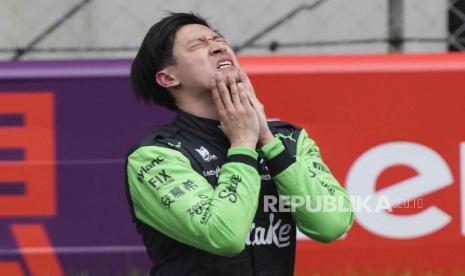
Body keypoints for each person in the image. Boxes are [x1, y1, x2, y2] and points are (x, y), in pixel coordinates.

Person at [125, 12, 354, 276]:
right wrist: (243, 143)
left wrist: (267, 140)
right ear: (168, 78)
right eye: (198, 44)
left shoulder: (288, 138)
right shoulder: (156, 155)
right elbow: (224, 235)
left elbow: (332, 225)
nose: (219, 46)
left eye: (219, 39)